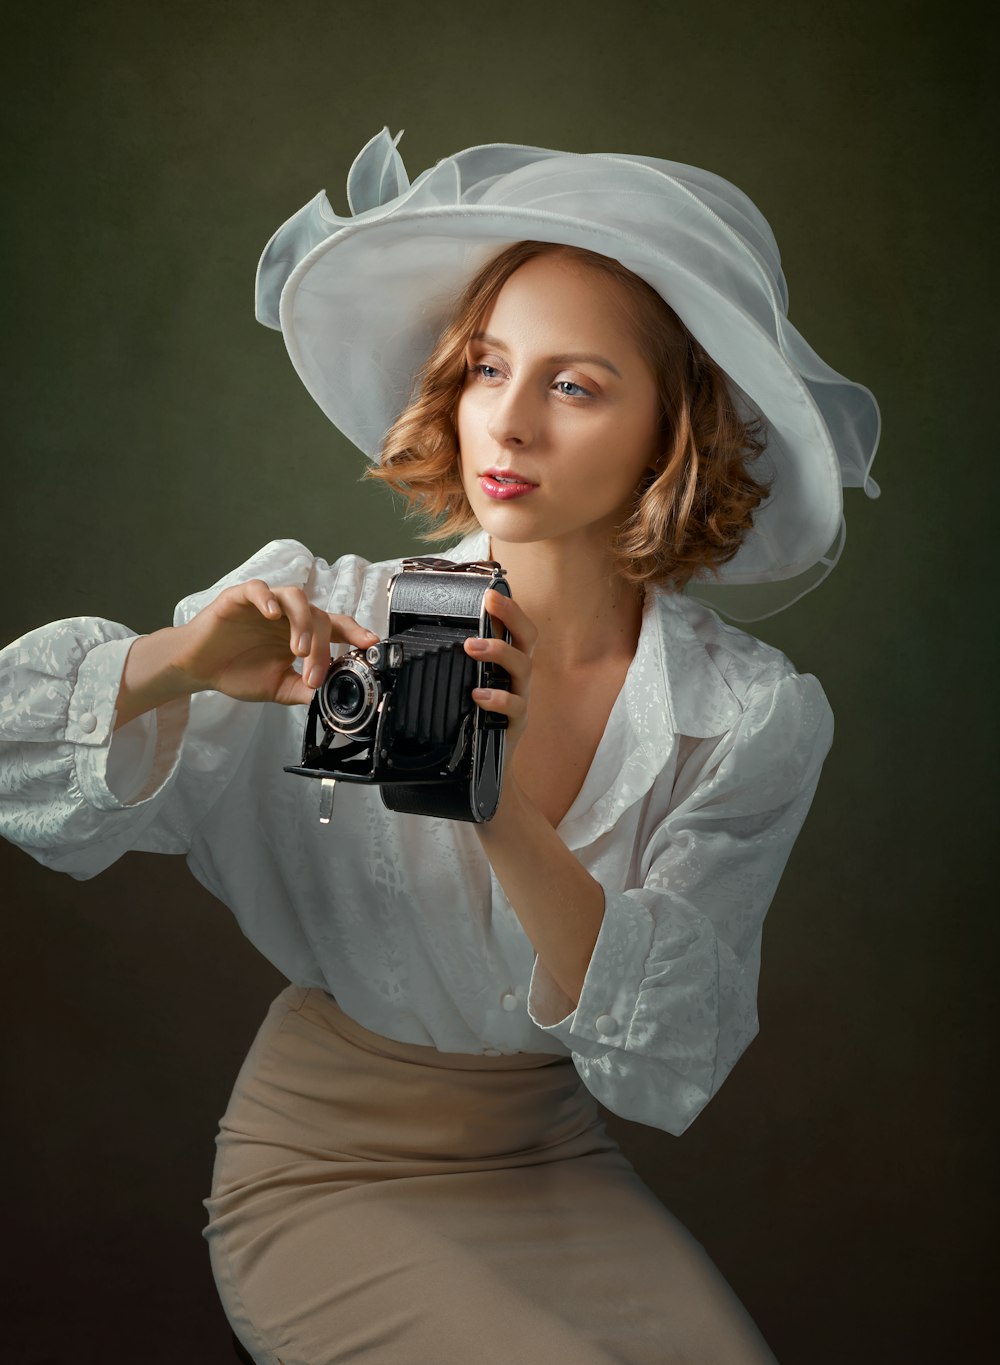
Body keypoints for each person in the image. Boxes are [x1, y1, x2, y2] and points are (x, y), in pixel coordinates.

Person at [0, 127, 881, 1364]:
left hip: (548, 1154)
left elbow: (667, 1055)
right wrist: (179, 662)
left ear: (671, 432)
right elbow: (13, 759)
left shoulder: (745, 715)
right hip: (322, 1166)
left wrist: (498, 807)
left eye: (574, 385)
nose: (507, 423)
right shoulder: (324, 606)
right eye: (484, 367)